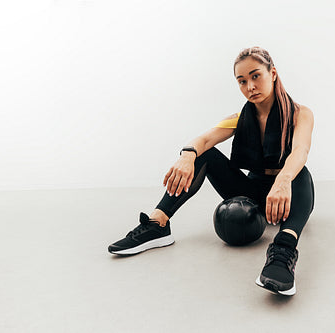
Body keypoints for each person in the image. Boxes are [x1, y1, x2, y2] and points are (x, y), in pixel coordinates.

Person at [108, 46, 315, 296]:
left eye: (255, 75)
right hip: (254, 191)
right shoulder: (239, 117)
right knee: (203, 154)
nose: (249, 86)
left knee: (301, 173)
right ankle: (158, 224)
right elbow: (204, 140)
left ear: (272, 73)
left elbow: (300, 151)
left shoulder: (300, 114)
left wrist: (283, 180)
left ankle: (283, 253)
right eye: (242, 81)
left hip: (289, 193)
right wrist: (187, 156)